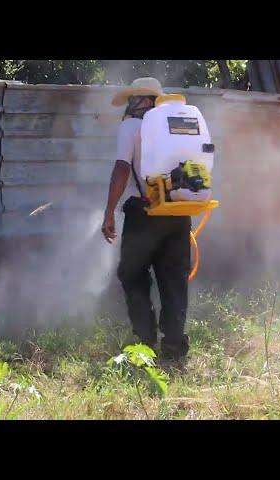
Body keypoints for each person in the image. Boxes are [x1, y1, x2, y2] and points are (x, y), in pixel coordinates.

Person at [102, 77, 192, 362]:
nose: (130, 104)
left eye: (134, 98)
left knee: (133, 274)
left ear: (145, 100)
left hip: (146, 213)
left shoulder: (131, 126)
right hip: (179, 212)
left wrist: (109, 213)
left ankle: (145, 343)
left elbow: (121, 169)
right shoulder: (176, 126)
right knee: (174, 279)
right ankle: (175, 347)